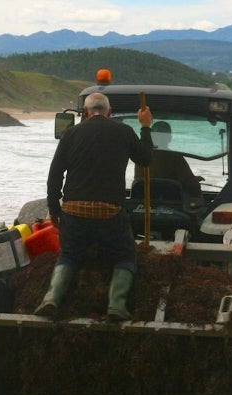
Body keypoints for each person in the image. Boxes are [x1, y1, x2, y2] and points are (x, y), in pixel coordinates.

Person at [34, 92, 153, 321]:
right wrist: (145, 127)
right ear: (110, 112)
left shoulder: (71, 134)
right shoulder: (124, 132)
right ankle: (116, 306)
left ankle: (50, 300)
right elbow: (146, 158)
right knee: (125, 256)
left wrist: (55, 210)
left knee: (68, 255)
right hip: (109, 213)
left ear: (86, 113)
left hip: (73, 212)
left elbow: (55, 175)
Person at [134, 121, 203, 197]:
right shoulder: (175, 157)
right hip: (170, 202)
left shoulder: (141, 156)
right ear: (170, 138)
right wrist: (193, 180)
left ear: (151, 137)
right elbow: (191, 184)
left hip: (141, 201)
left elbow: (153, 179)